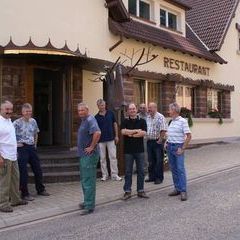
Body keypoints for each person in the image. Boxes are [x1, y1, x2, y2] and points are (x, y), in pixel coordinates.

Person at [13, 103, 49, 201]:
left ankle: (41, 189)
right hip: (21, 148)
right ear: (22, 112)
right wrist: (16, 145)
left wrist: (35, 145)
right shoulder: (16, 123)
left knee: (38, 169)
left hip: (31, 147)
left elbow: (35, 133)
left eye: (30, 111)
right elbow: (11, 136)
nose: (28, 113)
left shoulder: (33, 121)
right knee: (23, 172)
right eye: (26, 111)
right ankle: (24, 194)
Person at [0, 101, 28, 212]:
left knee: (15, 179)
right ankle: (3, 204)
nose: (9, 111)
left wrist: (15, 151)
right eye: (7, 109)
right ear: (1, 109)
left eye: (11, 109)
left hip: (13, 155)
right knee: (4, 182)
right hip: (4, 156)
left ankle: (15, 200)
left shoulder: (9, 121)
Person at [121, 103, 149, 200]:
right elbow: (123, 132)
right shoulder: (124, 120)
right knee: (128, 171)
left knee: (141, 171)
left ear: (136, 110)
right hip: (128, 151)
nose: (132, 110)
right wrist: (136, 131)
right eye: (130, 109)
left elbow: (144, 133)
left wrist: (130, 133)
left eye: (133, 109)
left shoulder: (142, 121)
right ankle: (127, 191)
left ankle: (140, 190)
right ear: (128, 111)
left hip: (140, 150)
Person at [77, 102, 101, 215]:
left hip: (89, 156)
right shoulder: (84, 121)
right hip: (83, 155)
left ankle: (89, 206)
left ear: (87, 110)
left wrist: (91, 147)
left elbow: (97, 133)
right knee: (84, 180)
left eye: (82, 110)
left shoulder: (90, 120)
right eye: (79, 111)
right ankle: (87, 201)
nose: (80, 112)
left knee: (88, 180)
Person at [166, 103, 191, 201]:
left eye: (170, 110)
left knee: (180, 169)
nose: (169, 111)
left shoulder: (183, 121)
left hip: (178, 148)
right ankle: (177, 188)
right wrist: (167, 143)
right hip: (170, 147)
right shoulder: (171, 121)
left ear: (175, 111)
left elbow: (189, 136)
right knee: (173, 169)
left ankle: (183, 191)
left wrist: (183, 148)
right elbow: (170, 134)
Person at [95, 99, 122, 181]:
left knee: (113, 157)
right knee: (102, 158)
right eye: (100, 106)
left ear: (105, 105)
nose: (102, 107)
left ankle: (114, 175)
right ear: (98, 106)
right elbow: (95, 130)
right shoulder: (96, 117)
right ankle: (104, 175)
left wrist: (116, 136)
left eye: (103, 105)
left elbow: (115, 124)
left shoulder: (110, 113)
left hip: (111, 138)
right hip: (101, 140)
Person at [145, 102, 167, 184]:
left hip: (157, 141)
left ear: (155, 108)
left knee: (158, 161)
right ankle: (152, 177)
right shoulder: (148, 117)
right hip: (149, 141)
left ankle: (159, 178)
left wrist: (160, 139)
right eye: (148, 107)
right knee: (151, 161)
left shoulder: (160, 117)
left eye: (150, 107)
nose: (149, 109)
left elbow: (163, 129)